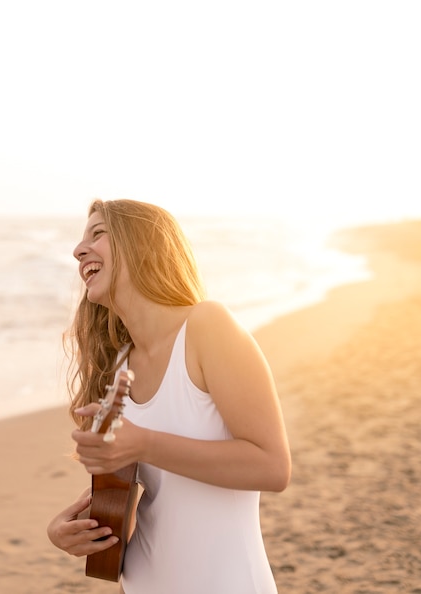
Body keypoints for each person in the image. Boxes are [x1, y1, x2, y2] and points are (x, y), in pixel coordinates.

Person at [47, 199, 291, 593]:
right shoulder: (118, 369)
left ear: (142, 244)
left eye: (98, 234)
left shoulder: (207, 327)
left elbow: (272, 467)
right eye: (80, 240)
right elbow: (126, 498)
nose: (78, 251)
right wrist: (71, 529)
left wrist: (142, 443)